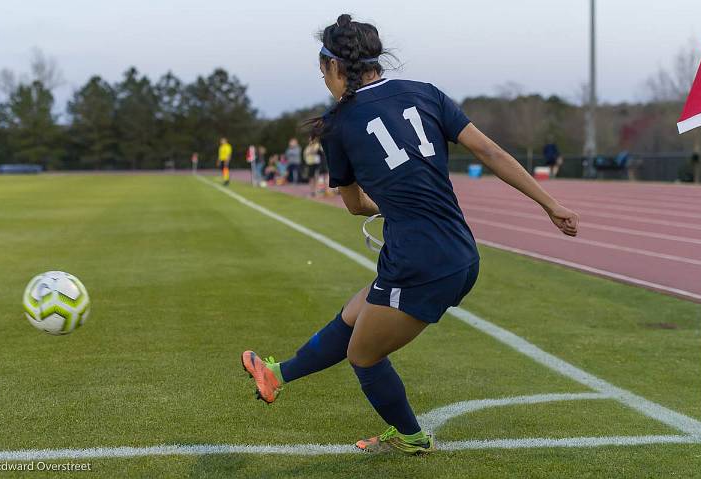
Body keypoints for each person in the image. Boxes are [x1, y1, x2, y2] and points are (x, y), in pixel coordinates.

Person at [241, 14, 578, 455]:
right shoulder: (426, 94)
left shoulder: (337, 124)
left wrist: (389, 204)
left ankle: (412, 437)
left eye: (322, 68)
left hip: (420, 261)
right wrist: (550, 204)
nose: (323, 78)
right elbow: (489, 151)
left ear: (334, 66)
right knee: (354, 313)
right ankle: (278, 375)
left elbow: (356, 205)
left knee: (363, 355)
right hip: (457, 248)